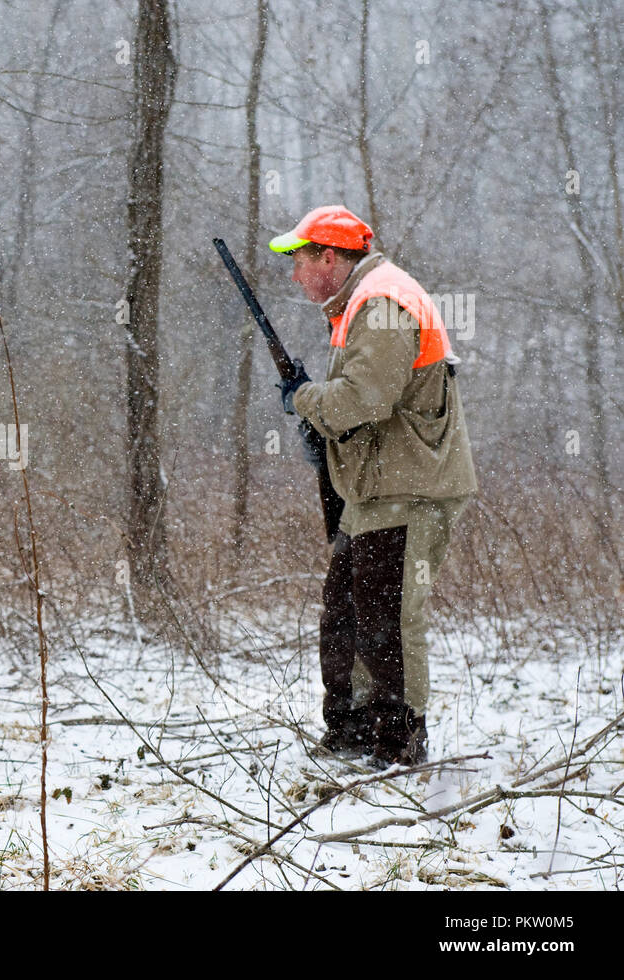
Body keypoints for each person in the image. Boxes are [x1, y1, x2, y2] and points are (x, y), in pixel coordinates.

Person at [268, 205, 478, 768]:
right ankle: (353, 734)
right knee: (346, 613)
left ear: (329, 258)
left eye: (300, 262)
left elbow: (364, 401)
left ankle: (396, 745)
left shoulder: (383, 302)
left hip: (409, 490)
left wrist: (305, 400)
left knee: (388, 619)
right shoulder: (362, 302)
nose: (295, 276)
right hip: (378, 490)